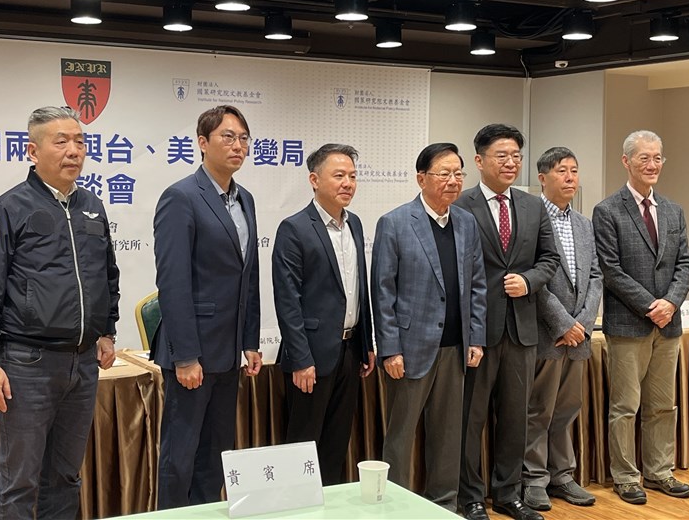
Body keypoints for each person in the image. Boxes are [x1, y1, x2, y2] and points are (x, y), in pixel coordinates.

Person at [0, 106, 120, 519]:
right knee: (20, 482)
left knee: (66, 477)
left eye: (80, 141)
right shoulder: (9, 208)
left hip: (83, 365)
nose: (74, 151)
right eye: (62, 142)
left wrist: (106, 331)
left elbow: (107, 274)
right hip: (26, 365)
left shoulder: (92, 206)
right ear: (32, 151)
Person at [152, 105, 263, 508]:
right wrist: (185, 356)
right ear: (202, 142)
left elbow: (248, 275)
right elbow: (173, 282)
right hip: (193, 353)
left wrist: (250, 340)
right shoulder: (181, 197)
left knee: (215, 455)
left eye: (243, 138)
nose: (238, 146)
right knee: (180, 456)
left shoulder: (245, 199)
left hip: (228, 353)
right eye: (228, 137)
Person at [371, 143, 487, 512]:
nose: (453, 181)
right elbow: (383, 291)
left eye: (458, 173)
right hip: (409, 349)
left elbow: (477, 285)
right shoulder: (395, 222)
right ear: (422, 178)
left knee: (448, 434)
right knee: (401, 435)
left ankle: (444, 505)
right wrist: (390, 349)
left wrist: (476, 338)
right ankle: (395, 507)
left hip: (456, 347)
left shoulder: (466, 223)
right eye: (444, 173)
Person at [454, 124, 559, 520]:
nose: (511, 162)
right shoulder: (461, 205)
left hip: (521, 328)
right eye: (502, 155)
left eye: (516, 155)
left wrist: (528, 281)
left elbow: (549, 259)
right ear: (479, 161)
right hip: (478, 330)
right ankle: (470, 497)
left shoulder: (533, 206)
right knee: (471, 417)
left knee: (516, 417)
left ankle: (508, 493)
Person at [592, 130, 689, 505]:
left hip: (669, 326)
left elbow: (685, 264)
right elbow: (611, 270)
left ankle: (659, 470)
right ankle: (625, 477)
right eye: (644, 158)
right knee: (624, 408)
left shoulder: (673, 210)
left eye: (657, 158)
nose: (652, 164)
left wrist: (671, 303)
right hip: (628, 325)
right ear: (626, 161)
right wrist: (652, 305)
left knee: (663, 405)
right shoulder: (607, 211)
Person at [272, 143, 375, 485]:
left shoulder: (354, 224)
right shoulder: (294, 228)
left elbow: (359, 289)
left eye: (353, 176)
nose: (348, 183)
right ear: (314, 180)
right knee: (303, 445)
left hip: (348, 351)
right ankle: (295, 506)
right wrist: (301, 359)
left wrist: (366, 344)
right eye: (339, 175)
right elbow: (288, 301)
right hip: (311, 358)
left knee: (335, 442)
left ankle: (328, 506)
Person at [521, 147, 602, 511]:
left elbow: (596, 275)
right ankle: (534, 479)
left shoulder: (584, 223)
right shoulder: (531, 219)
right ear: (542, 178)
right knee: (539, 409)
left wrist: (583, 323)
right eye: (561, 171)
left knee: (567, 408)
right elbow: (533, 279)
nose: (570, 178)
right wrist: (564, 324)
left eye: (574, 170)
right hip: (546, 333)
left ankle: (563, 475)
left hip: (579, 335)